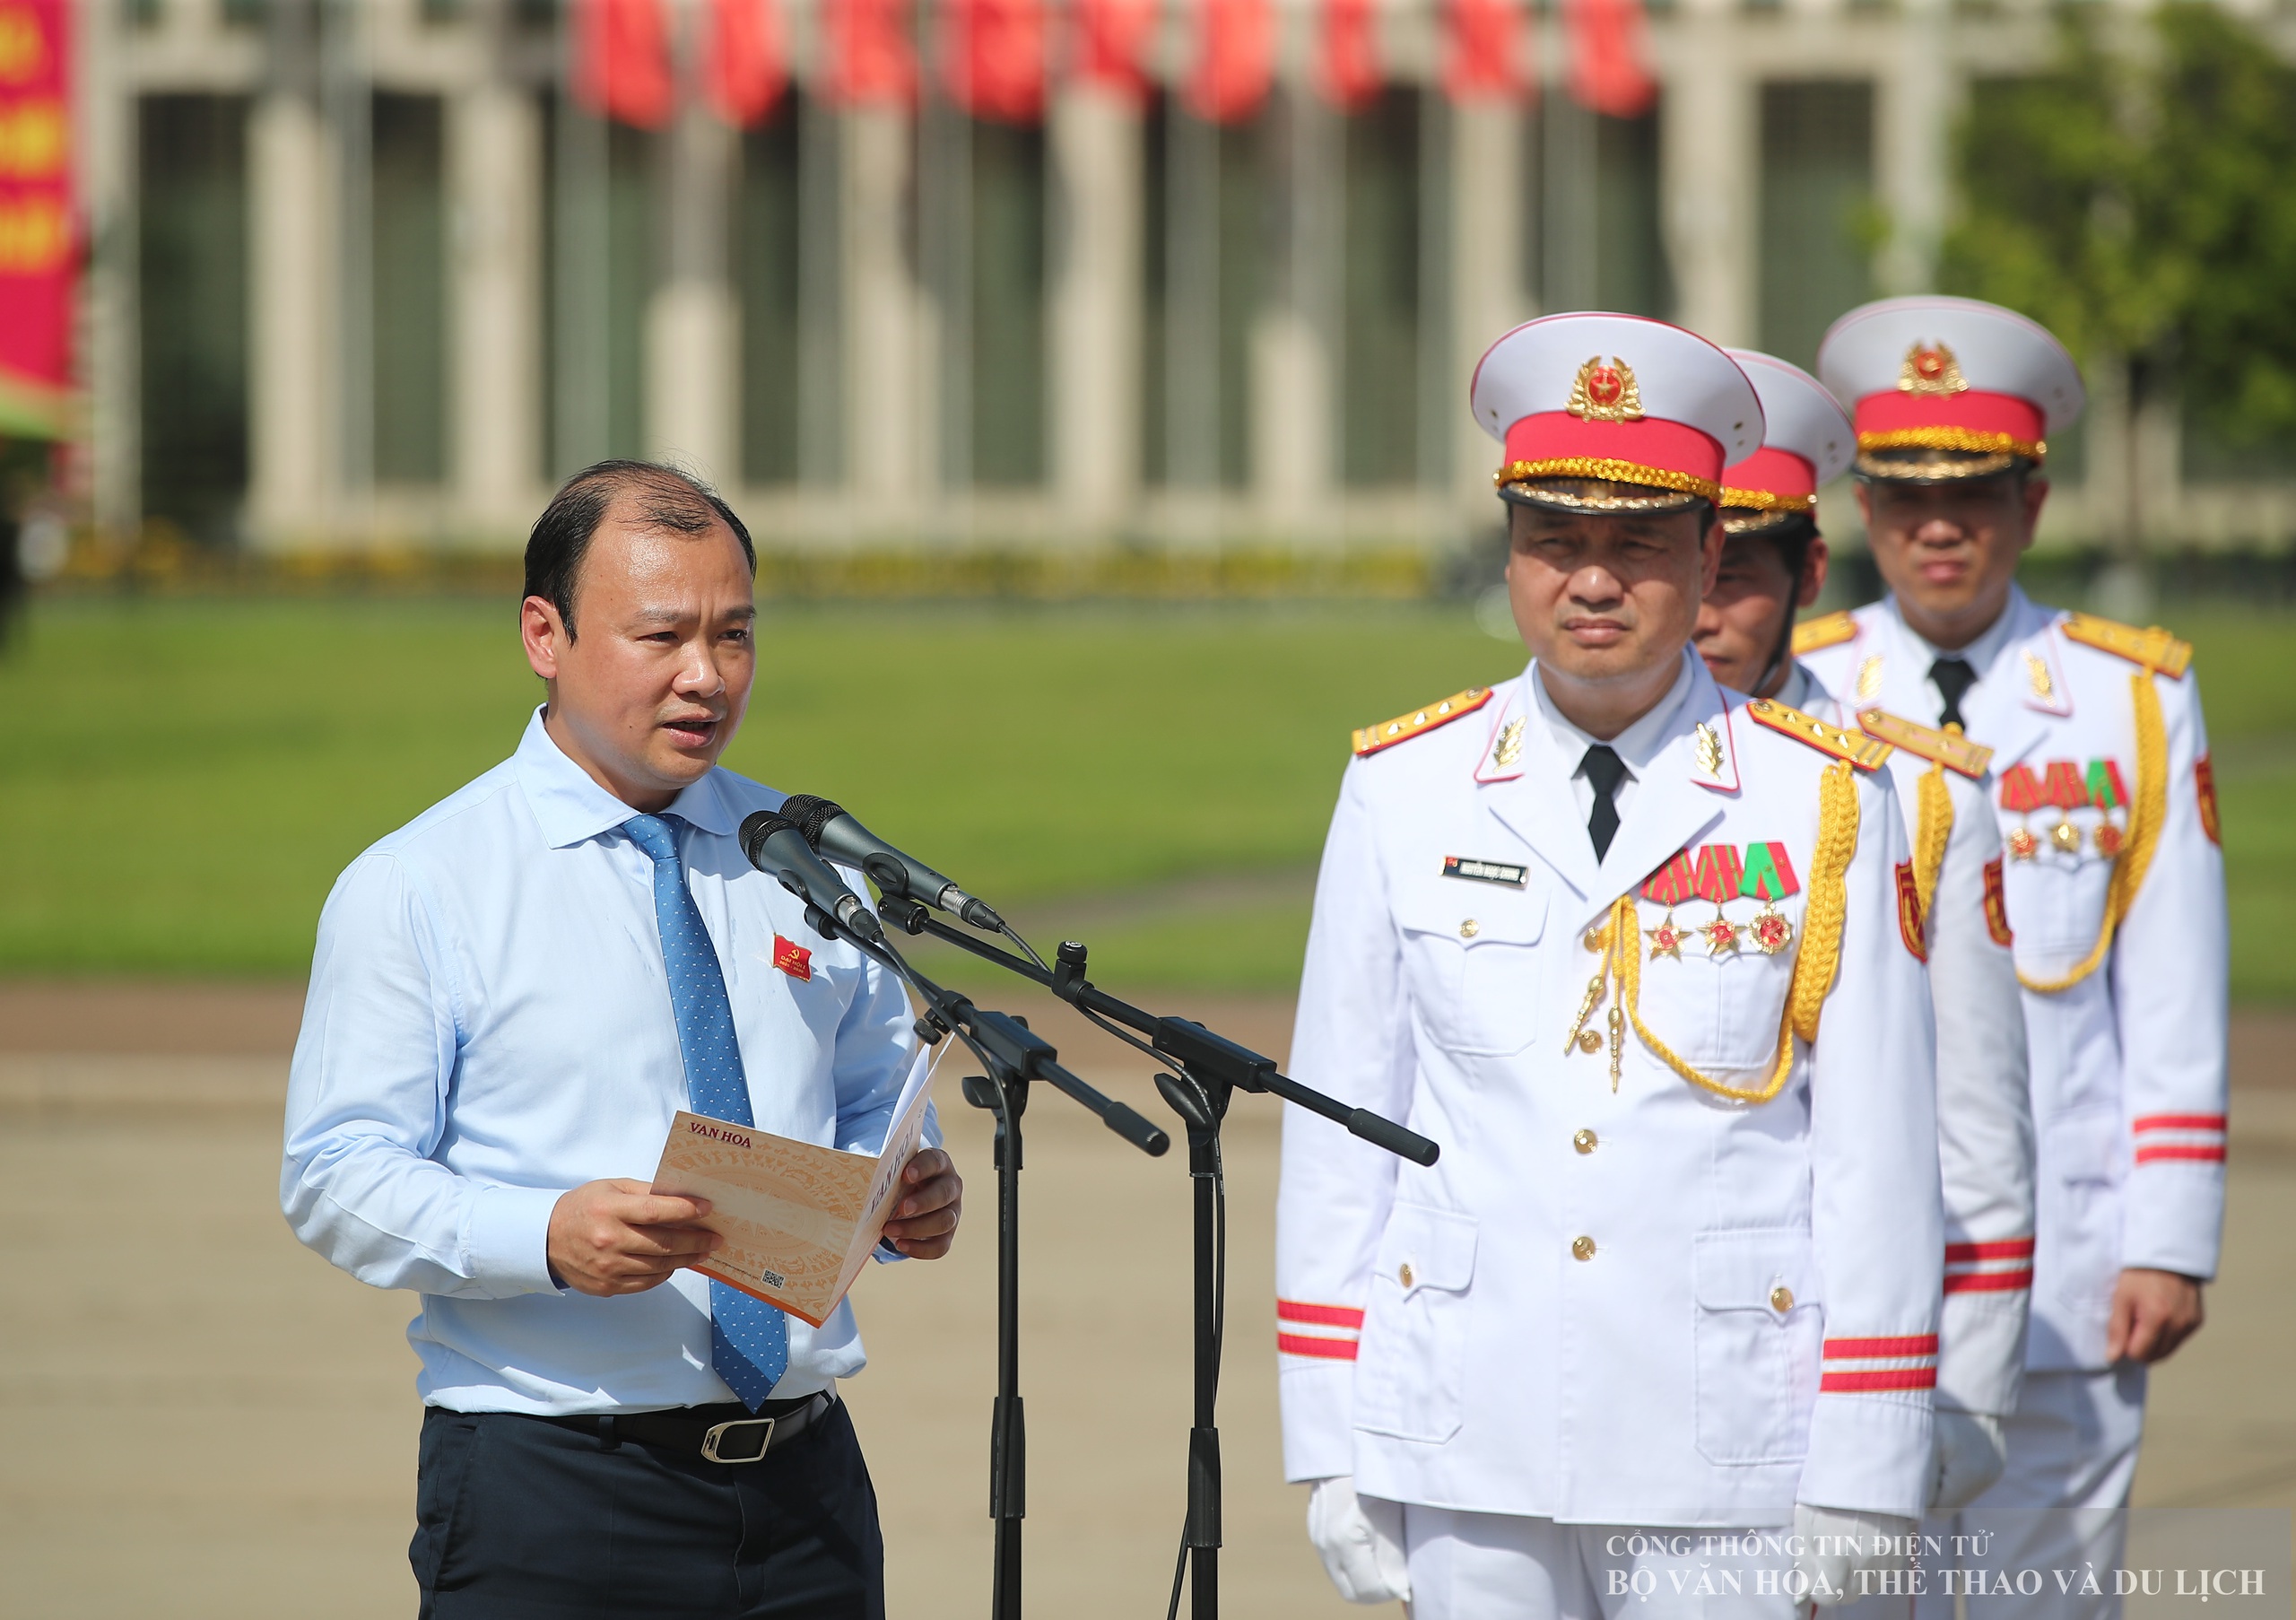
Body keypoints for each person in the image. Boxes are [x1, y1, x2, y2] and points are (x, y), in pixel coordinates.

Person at [1276, 313, 1945, 1618]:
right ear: (1512, 553)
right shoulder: (1404, 785)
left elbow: (1877, 1154)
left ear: (1709, 559)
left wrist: (1868, 1455)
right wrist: (1331, 1436)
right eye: (1555, 541)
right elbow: (1342, 1127)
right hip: (1467, 1424)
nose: (1592, 580)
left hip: (1724, 1439)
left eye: (1637, 543)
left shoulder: (1825, 802)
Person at [281, 460, 964, 1618]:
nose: (707, 676)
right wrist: (544, 1233)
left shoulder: (802, 861)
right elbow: (335, 1174)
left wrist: (907, 1191)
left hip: (807, 1493)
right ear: (544, 634)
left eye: (735, 634)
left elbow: (875, 1092)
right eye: (662, 635)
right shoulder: (422, 883)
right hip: (554, 1494)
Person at [1802, 296, 2226, 1610]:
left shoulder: (2129, 695)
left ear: (2033, 505)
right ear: (1860, 510)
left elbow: (2173, 984)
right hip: (1846, 1268)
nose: (1940, 528)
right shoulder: (1798, 693)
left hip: (2073, 1270)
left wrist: (2173, 1235)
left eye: (1976, 494)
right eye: (1906, 495)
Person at [1694, 352, 2038, 1532]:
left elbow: (1978, 1128)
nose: (1703, 608)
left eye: (1740, 572)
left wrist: (1963, 1401)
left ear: (1811, 571)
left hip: (1851, 1370)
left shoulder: (1922, 794)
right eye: (1683, 563)